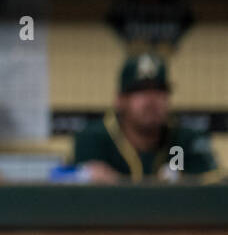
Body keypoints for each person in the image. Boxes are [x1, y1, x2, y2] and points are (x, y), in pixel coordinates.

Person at [72, 53, 221, 183]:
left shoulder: (181, 142)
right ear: (120, 100)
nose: (151, 101)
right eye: (140, 91)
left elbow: (213, 185)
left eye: (159, 90)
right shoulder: (93, 139)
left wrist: (184, 180)